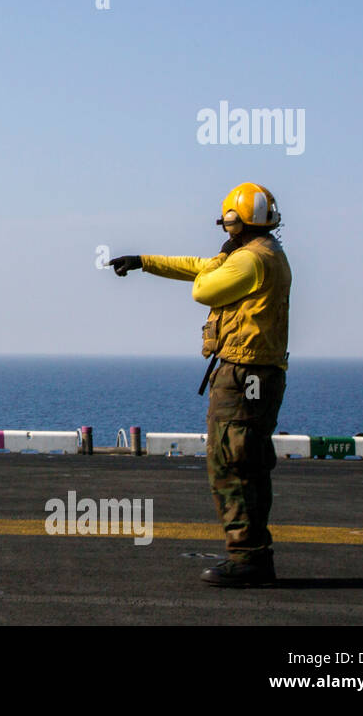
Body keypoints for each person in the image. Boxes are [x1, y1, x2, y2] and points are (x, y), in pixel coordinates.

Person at [109, 182, 291, 587]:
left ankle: (247, 558)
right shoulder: (265, 253)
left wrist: (215, 266)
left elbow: (203, 287)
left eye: (228, 223)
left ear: (234, 220)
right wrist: (144, 261)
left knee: (230, 464)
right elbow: (199, 265)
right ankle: (255, 554)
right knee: (251, 463)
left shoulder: (247, 262)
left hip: (242, 377)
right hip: (263, 374)